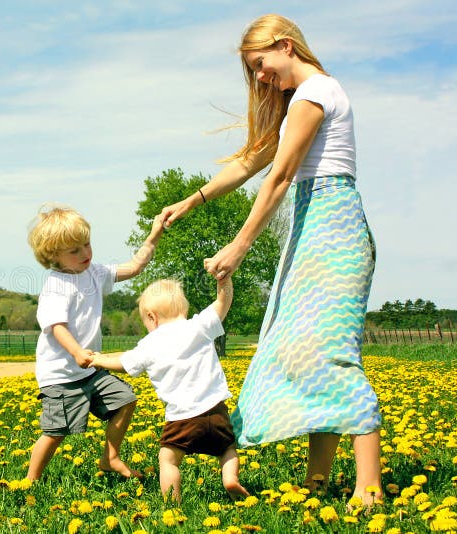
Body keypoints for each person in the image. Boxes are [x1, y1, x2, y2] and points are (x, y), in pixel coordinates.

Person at [158, 14, 382, 507]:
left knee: (329, 355)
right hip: (315, 226)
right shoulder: (298, 103)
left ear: (286, 45)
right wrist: (191, 201)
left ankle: (370, 490)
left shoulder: (315, 93)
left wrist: (238, 248)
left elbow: (279, 178)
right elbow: (247, 163)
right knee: (305, 354)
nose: (260, 78)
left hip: (334, 228)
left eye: (261, 65)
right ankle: (317, 484)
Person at [25, 204, 164, 480]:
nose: (85, 253)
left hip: (90, 370)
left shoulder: (94, 273)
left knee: (125, 400)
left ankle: (110, 458)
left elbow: (135, 267)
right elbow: (56, 327)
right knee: (55, 432)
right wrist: (76, 351)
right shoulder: (56, 285)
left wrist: (154, 235)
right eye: (74, 250)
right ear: (53, 255)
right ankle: (30, 481)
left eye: (87, 244)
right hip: (62, 376)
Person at [91, 277, 249, 503]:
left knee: (168, 460)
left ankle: (172, 504)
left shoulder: (150, 343)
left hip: (181, 419)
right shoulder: (199, 326)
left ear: (152, 317)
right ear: (183, 309)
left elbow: (125, 364)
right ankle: (230, 478)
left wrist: (100, 360)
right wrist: (224, 278)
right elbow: (223, 301)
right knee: (227, 449)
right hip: (217, 413)